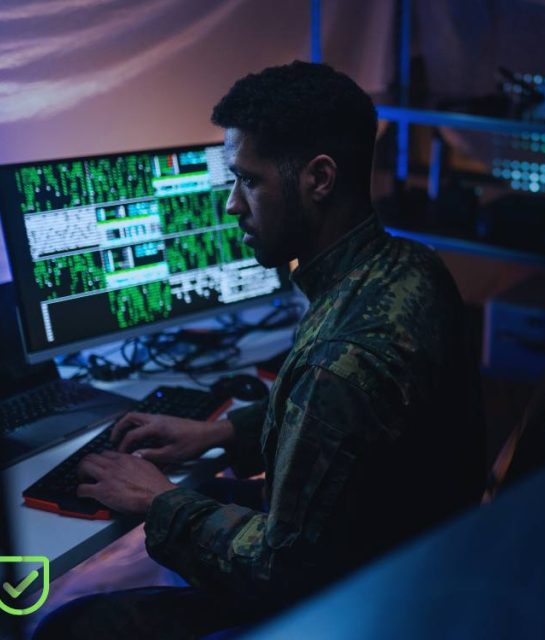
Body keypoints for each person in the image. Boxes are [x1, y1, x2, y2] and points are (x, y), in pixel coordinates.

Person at [34, 61, 485, 639]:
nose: (231, 205)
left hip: (356, 608)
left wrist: (160, 502)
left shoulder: (340, 358)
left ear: (318, 179)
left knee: (64, 624)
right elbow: (344, 438)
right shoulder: (409, 268)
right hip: (413, 567)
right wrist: (221, 434)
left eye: (248, 180)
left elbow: (280, 571)